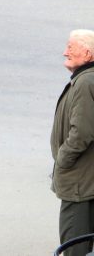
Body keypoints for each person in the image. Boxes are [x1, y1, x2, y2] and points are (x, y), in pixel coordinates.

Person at [52, 30, 94, 256]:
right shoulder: (86, 79)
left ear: (87, 53)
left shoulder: (86, 82)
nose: (65, 52)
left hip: (79, 184)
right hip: (85, 181)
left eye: (71, 47)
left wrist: (62, 160)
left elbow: (82, 133)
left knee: (74, 248)